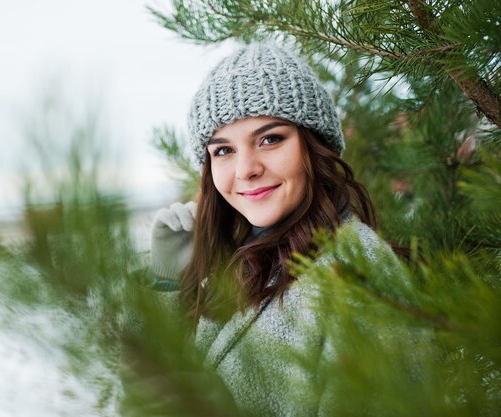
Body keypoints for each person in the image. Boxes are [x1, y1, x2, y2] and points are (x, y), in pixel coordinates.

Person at [148, 43, 400, 417]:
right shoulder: (245, 260)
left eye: (270, 139)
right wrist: (169, 282)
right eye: (223, 150)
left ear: (314, 146)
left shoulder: (359, 274)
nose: (245, 169)